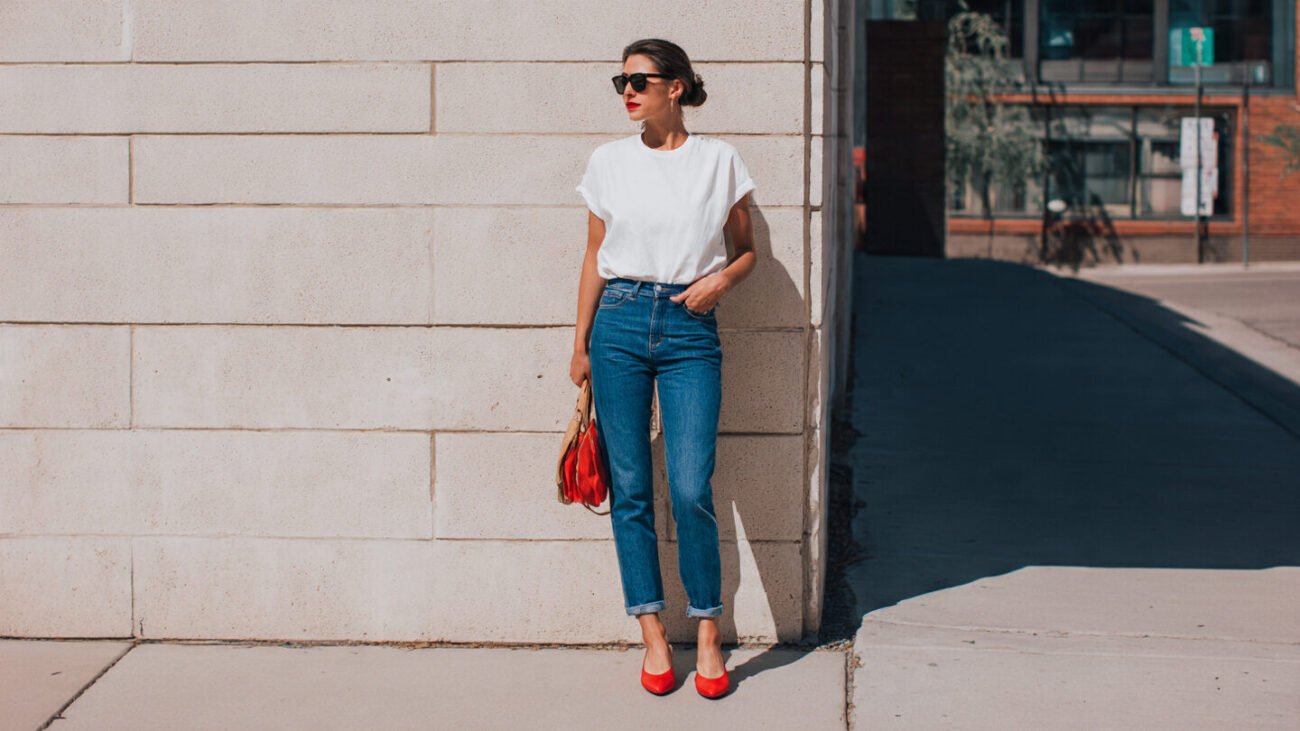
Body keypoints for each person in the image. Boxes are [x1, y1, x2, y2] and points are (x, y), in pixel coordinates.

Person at [568, 38, 758, 700]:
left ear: (675, 87)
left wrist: (720, 285)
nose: (627, 89)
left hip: (688, 327)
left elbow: (747, 250)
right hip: (618, 322)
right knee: (629, 487)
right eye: (620, 79)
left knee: (689, 485)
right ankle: (651, 631)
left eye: (640, 79)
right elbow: (595, 254)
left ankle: (707, 632)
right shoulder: (608, 161)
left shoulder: (719, 161)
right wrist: (581, 342)